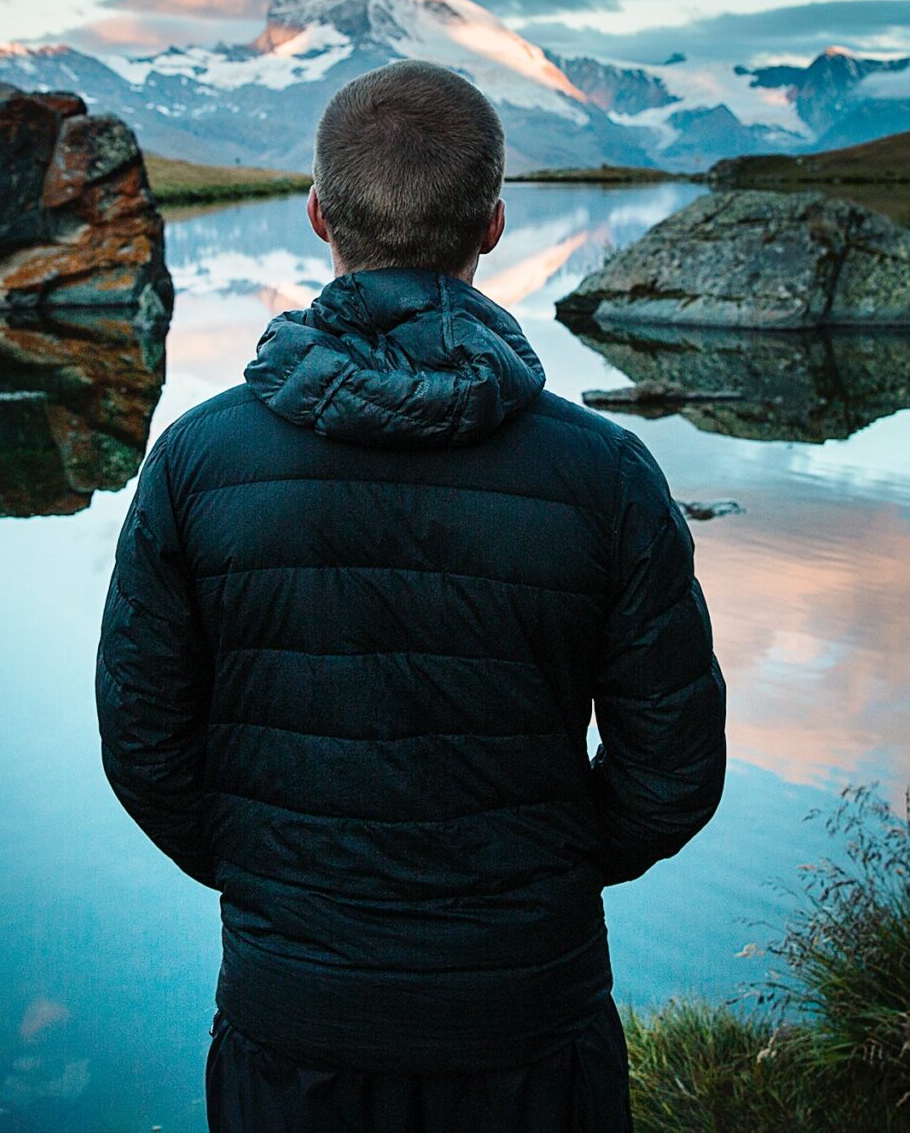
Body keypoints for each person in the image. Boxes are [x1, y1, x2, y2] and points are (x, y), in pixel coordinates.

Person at [96, 59, 728, 1132]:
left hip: (292, 1018)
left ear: (316, 216)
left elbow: (144, 749)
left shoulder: (195, 465)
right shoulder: (607, 475)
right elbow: (672, 771)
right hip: (528, 1015)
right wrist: (551, 872)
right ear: (490, 225)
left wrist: (275, 880)